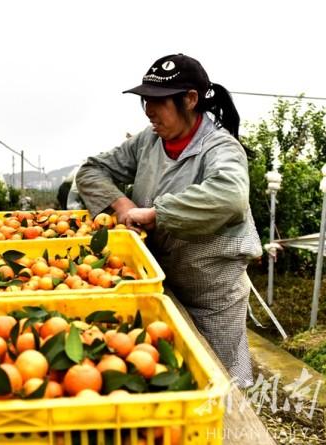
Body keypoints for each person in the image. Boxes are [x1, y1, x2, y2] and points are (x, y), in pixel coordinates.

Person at [76, 54, 262, 387]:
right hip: (159, 286)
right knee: (165, 375)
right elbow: (91, 170)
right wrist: (121, 205)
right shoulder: (149, 141)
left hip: (211, 298)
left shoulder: (220, 147)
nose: (149, 110)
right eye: (146, 100)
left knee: (220, 384)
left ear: (190, 99)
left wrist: (156, 213)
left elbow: (230, 197)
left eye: (158, 101)